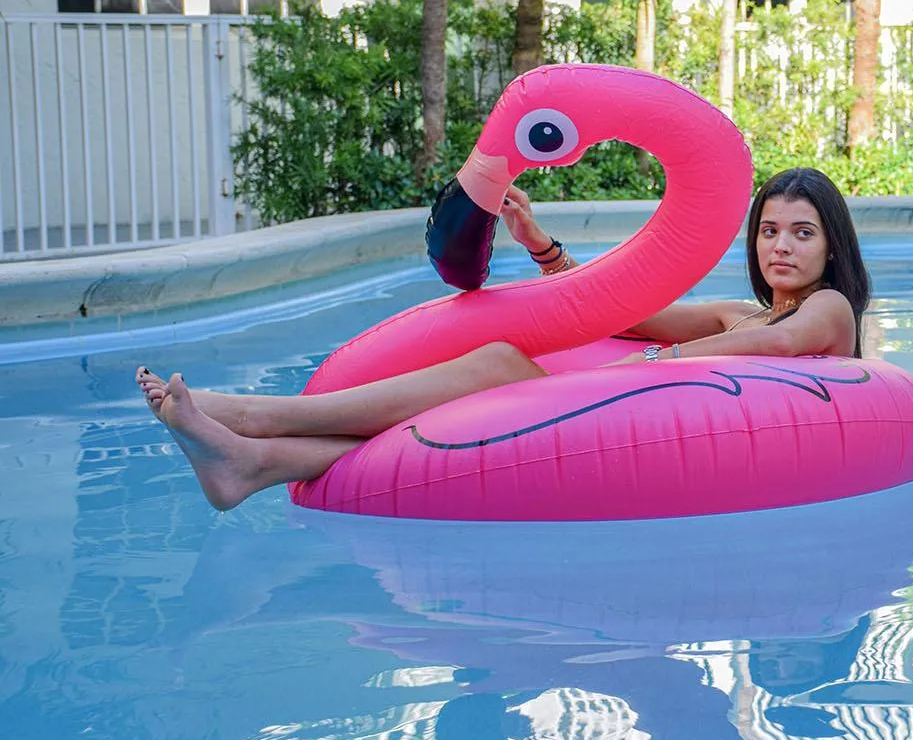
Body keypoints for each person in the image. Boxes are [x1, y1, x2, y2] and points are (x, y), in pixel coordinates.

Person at [137, 167, 871, 511]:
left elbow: (783, 346)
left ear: (830, 246)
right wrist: (541, 244)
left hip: (619, 427)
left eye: (801, 233)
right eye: (769, 230)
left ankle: (258, 414)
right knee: (452, 403)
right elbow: (625, 313)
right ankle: (253, 462)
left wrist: (665, 362)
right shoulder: (735, 315)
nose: (781, 246)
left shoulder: (830, 309)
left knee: (495, 365)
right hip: (614, 412)